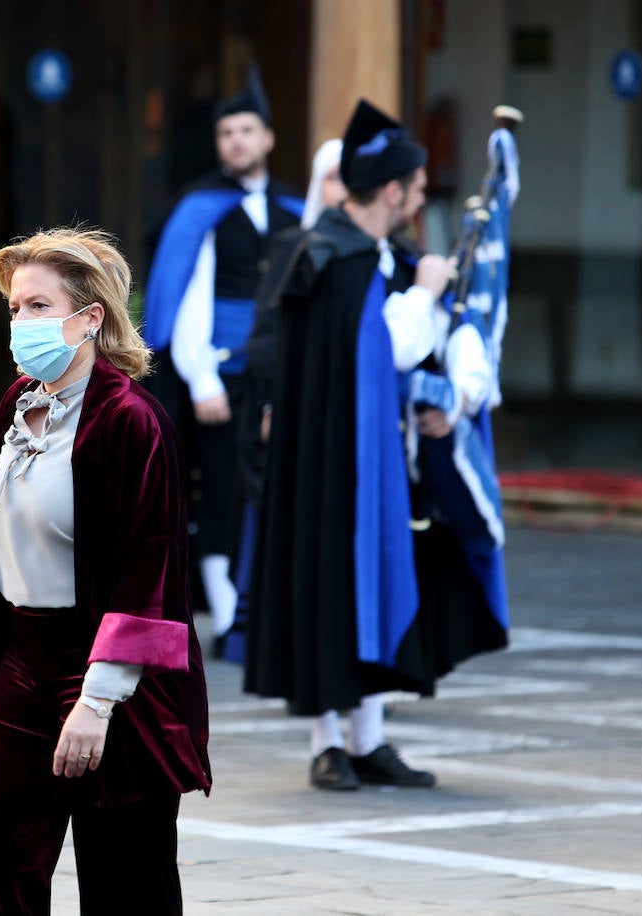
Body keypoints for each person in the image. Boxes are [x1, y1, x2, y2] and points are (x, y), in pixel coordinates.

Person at [0, 228, 210, 915]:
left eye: (36, 306)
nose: (19, 323)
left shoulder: (132, 421)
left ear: (89, 319)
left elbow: (152, 573)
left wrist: (96, 702)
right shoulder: (15, 406)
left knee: (126, 879)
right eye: (15, 308)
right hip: (18, 660)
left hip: (114, 680)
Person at [244, 99, 507, 792]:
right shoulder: (331, 256)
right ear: (391, 191)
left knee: (382, 585)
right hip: (329, 460)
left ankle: (369, 737)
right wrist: (424, 295)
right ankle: (328, 741)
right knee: (331, 586)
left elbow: (415, 357)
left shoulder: (375, 256)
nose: (419, 202)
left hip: (381, 458)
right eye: (416, 191)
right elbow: (387, 347)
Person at [140, 66, 304, 661]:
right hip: (222, 376)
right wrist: (202, 376)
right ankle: (231, 617)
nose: (236, 141)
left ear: (268, 138)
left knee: (280, 491)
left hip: (284, 375)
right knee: (220, 494)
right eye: (225, 133)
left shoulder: (297, 208)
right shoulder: (199, 207)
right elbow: (187, 297)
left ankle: (273, 609)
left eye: (246, 130)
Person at [224, 138, 346, 666]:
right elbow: (270, 334)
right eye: (333, 177)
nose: (342, 190)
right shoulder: (296, 247)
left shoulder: (388, 254)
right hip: (301, 412)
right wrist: (274, 405)